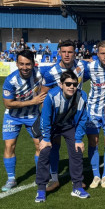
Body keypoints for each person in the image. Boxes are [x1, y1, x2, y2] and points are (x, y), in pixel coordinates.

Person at [34, 71, 89, 202]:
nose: (71, 87)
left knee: (77, 150)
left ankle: (77, 186)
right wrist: (46, 139)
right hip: (51, 126)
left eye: (74, 84)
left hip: (68, 126)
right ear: (61, 85)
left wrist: (79, 139)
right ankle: (41, 189)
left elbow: (83, 118)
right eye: (68, 84)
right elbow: (45, 117)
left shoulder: (82, 96)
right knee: (45, 151)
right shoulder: (52, 96)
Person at [41, 40, 86, 189]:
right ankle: (54, 178)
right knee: (54, 146)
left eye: (70, 52)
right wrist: (48, 118)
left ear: (75, 53)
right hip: (55, 118)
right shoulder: (50, 73)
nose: (67, 55)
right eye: (64, 52)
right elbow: (44, 96)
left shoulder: (81, 67)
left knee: (75, 147)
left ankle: (77, 179)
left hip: (73, 118)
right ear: (59, 53)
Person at [1, 49, 47, 192]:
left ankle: (40, 176)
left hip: (32, 116)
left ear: (34, 63)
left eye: (28, 64)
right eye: (21, 64)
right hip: (12, 117)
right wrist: (33, 102)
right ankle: (11, 179)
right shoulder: (10, 80)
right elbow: (8, 103)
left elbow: (61, 66)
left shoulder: (40, 73)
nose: (24, 67)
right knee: (10, 146)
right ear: (16, 64)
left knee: (40, 146)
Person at [82, 40, 105, 189]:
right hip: (93, 110)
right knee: (93, 142)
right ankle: (96, 175)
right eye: (102, 53)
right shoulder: (90, 67)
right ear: (97, 54)